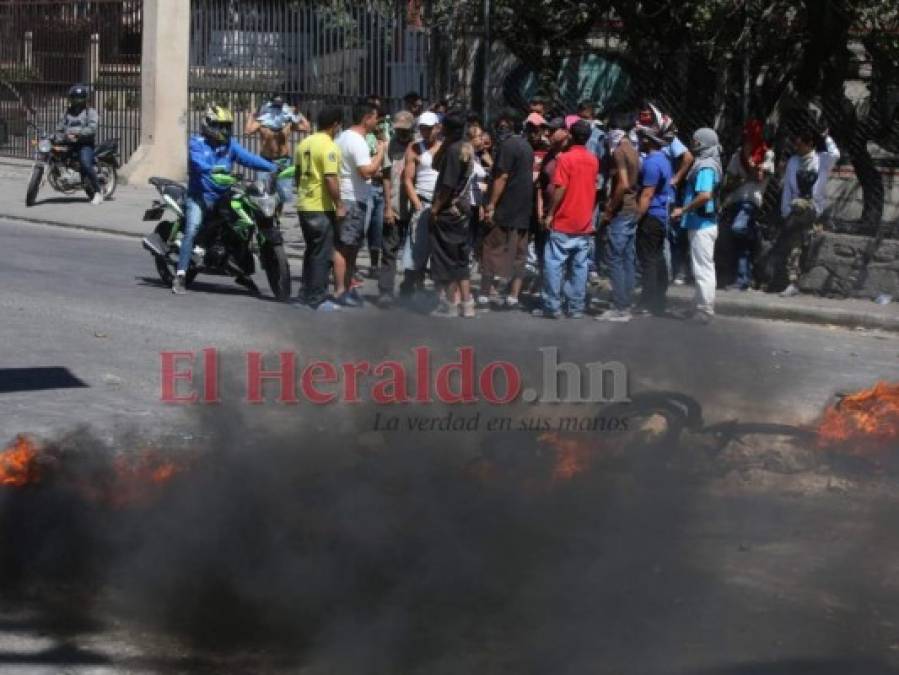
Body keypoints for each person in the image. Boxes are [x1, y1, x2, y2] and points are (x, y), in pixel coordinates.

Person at [175, 104, 276, 295]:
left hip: (224, 195)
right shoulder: (197, 143)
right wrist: (210, 169)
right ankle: (180, 275)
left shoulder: (230, 145)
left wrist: (271, 167)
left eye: (227, 126)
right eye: (220, 126)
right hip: (200, 196)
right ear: (209, 124)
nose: (224, 130)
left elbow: (248, 158)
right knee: (192, 228)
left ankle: (239, 267)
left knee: (244, 221)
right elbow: (197, 162)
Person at [534, 120, 599, 319]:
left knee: (553, 264)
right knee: (579, 266)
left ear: (571, 135)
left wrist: (551, 213)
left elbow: (560, 188)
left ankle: (552, 306)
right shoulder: (593, 159)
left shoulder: (565, 159)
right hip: (584, 220)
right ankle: (576, 306)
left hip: (564, 219)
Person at [334, 101, 386, 306]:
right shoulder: (356, 140)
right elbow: (366, 171)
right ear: (366, 119)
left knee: (351, 246)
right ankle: (340, 290)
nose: (377, 122)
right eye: (375, 117)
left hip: (351, 197)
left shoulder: (343, 137)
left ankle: (346, 288)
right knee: (345, 247)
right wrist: (380, 152)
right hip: (352, 199)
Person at [777, 127, 840, 297]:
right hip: (796, 209)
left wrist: (826, 138)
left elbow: (835, 154)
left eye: (800, 144)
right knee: (795, 245)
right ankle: (793, 282)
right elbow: (788, 190)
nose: (797, 148)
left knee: (798, 228)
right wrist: (785, 211)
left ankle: (814, 227)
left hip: (812, 206)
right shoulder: (794, 162)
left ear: (809, 144)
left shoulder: (822, 160)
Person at [481, 109, 534, 309]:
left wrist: (492, 205)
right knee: (519, 253)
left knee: (491, 247)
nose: (501, 130)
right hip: (522, 208)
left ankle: (486, 292)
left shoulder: (507, 146)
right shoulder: (526, 146)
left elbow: (501, 177)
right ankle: (513, 295)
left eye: (504, 126)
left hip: (505, 207)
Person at [295, 106, 344, 311]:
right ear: (335, 125)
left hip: (304, 204)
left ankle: (305, 293)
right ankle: (317, 298)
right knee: (322, 253)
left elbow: (297, 174)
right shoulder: (329, 147)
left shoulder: (304, 143)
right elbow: (330, 178)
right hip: (320, 206)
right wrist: (339, 204)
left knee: (312, 250)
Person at [671, 128, 723, 323]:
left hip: (702, 222)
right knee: (700, 266)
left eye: (695, 141)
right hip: (701, 222)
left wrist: (682, 210)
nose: (692, 144)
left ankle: (704, 309)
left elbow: (704, 195)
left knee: (703, 268)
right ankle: (698, 306)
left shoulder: (705, 167)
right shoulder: (706, 163)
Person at [429, 111, 477, 318]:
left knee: (446, 258)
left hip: (449, 211)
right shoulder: (465, 146)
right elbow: (434, 164)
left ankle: (449, 303)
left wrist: (436, 208)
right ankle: (467, 303)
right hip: (463, 210)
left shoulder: (454, 150)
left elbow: (447, 185)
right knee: (460, 257)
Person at [596, 109, 640, 322]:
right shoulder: (632, 148)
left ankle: (620, 306)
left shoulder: (619, 151)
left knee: (614, 258)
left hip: (621, 210)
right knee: (626, 258)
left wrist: (609, 210)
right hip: (631, 209)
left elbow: (622, 184)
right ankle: (625, 301)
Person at [721, 119, 775, 290]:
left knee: (738, 229)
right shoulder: (738, 155)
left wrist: (751, 163)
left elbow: (760, 176)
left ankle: (754, 235)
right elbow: (729, 181)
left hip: (750, 201)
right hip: (735, 200)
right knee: (740, 243)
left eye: (750, 138)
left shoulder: (767, 154)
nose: (747, 142)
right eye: (746, 138)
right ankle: (743, 279)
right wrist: (745, 175)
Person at [377, 110, 416, 307]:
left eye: (404, 130)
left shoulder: (418, 146)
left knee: (414, 252)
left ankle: (410, 289)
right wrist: (387, 207)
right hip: (394, 205)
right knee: (389, 250)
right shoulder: (390, 146)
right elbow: (385, 177)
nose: (401, 134)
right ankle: (385, 290)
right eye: (398, 130)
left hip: (415, 207)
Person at [244, 94, 310, 210]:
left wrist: (297, 112)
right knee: (262, 193)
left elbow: (306, 127)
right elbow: (248, 131)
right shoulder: (263, 121)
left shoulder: (287, 120)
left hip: (283, 161)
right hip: (265, 161)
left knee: (283, 194)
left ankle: (276, 214)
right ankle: (266, 218)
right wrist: (253, 114)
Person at [634, 122, 673, 315]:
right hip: (660, 216)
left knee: (648, 260)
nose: (640, 141)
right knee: (656, 259)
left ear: (648, 142)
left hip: (651, 216)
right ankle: (658, 299)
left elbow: (647, 194)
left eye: (642, 138)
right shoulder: (664, 160)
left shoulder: (651, 163)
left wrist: (636, 217)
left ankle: (647, 301)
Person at [401, 111, 442, 295]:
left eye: (429, 128)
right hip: (423, 201)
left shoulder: (445, 148)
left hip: (441, 204)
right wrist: (416, 202)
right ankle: (410, 286)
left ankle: (435, 289)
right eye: (423, 128)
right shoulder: (415, 148)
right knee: (416, 246)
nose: (426, 132)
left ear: (437, 128)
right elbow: (408, 179)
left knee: (438, 249)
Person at [56, 84, 102, 204]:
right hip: (69, 144)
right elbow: (60, 128)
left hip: (84, 144)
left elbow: (92, 128)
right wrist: (56, 135)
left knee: (86, 163)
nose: (77, 100)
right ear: (71, 99)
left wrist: (79, 134)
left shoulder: (90, 112)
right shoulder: (66, 113)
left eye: (80, 97)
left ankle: (98, 192)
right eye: (75, 97)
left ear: (85, 99)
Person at [363, 96, 392, 278]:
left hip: (384, 187)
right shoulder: (364, 138)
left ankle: (375, 264)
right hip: (369, 186)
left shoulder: (388, 136)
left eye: (383, 120)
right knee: (363, 228)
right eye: (377, 120)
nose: (380, 123)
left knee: (378, 228)